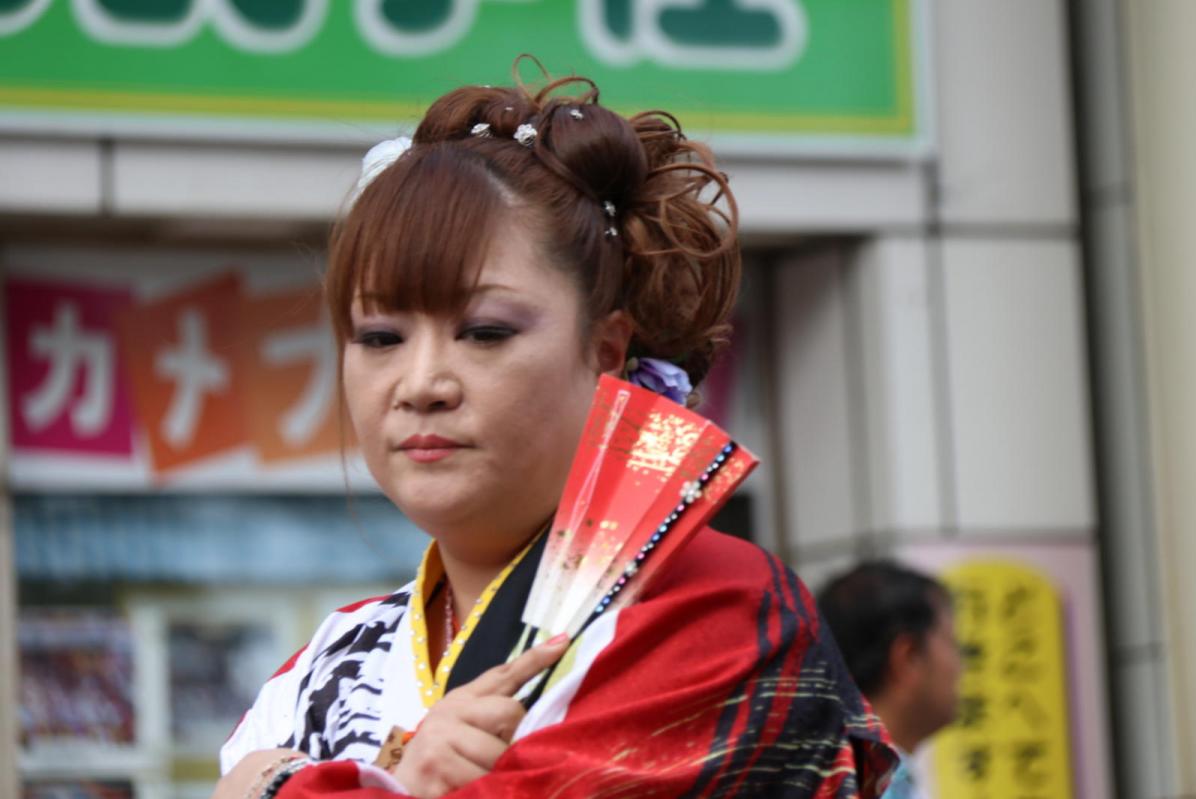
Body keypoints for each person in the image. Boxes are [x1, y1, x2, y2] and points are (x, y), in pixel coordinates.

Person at [213, 62, 897, 799]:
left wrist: (276, 783)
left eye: (484, 331)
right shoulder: (330, 659)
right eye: (379, 337)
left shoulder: (717, 609)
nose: (421, 384)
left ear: (605, 349)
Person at [816, 562, 963, 799]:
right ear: (908, 657)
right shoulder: (876, 786)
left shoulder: (828, 775)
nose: (960, 666)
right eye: (951, 643)